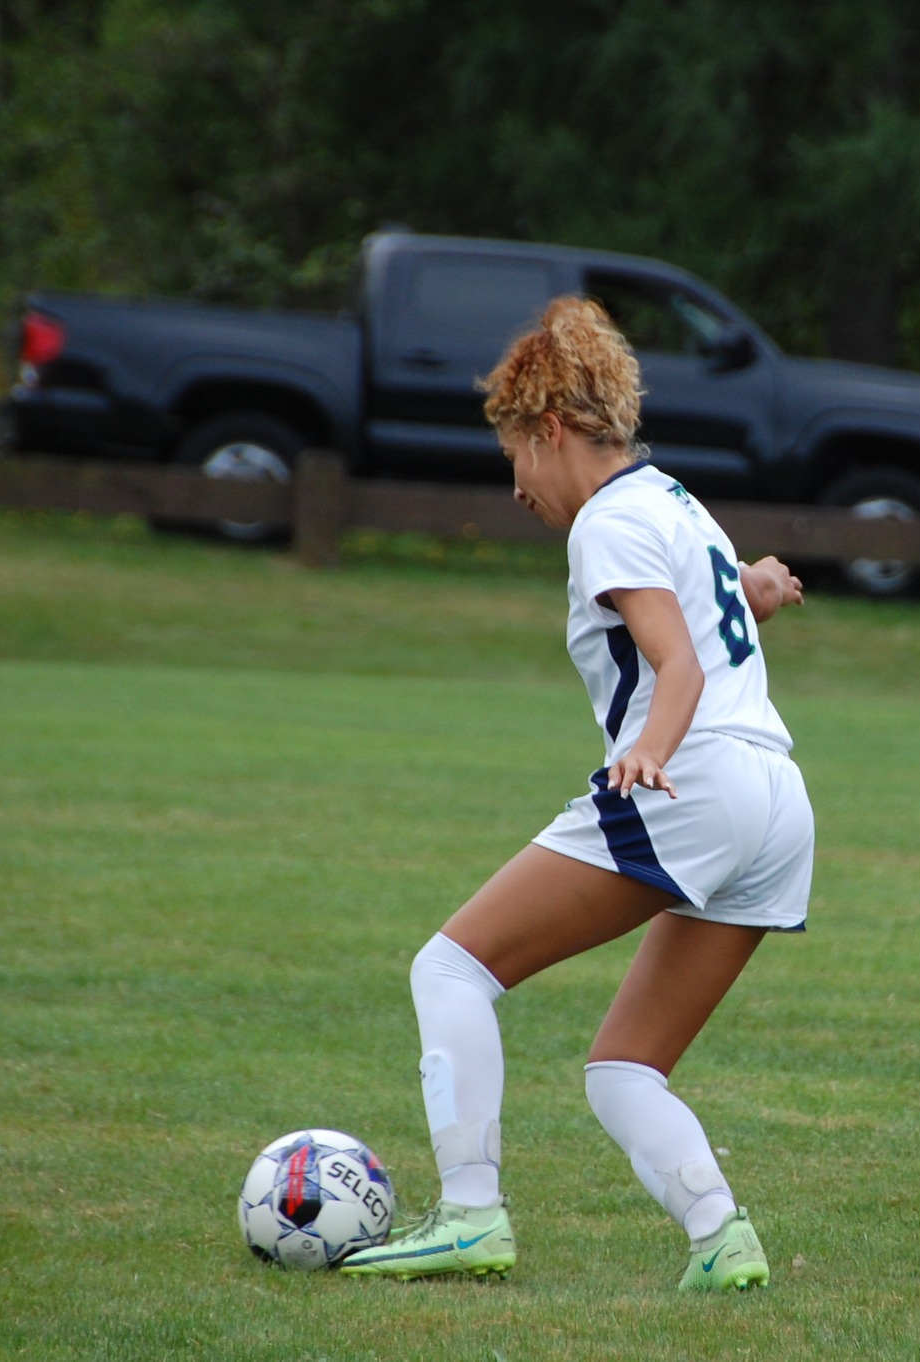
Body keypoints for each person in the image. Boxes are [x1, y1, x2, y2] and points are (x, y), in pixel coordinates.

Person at [341, 297, 812, 1293]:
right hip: (776, 800)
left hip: (691, 780)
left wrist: (646, 750)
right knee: (623, 1067)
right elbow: (712, 621)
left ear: (549, 431)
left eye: (513, 453)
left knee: (449, 970)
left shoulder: (606, 519)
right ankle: (722, 1239)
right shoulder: (673, 499)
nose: (515, 486)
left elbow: (675, 665)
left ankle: (469, 1216)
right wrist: (755, 592)